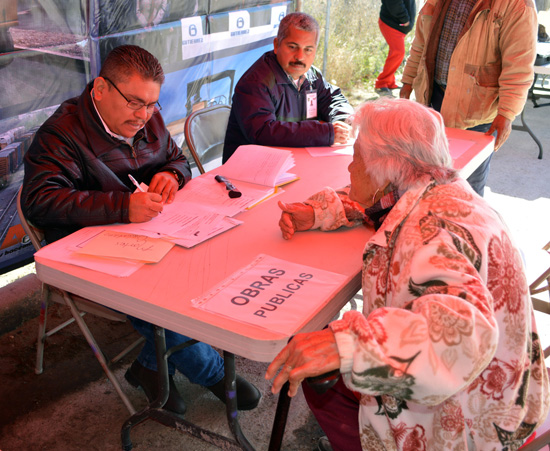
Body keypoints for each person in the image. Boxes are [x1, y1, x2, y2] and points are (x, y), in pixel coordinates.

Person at [265, 97, 549, 451]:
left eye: (357, 158)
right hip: (508, 396)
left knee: (320, 375)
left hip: (464, 422)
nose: (350, 168)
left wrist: (350, 346)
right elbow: (377, 209)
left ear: (385, 170)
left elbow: (462, 336)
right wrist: (322, 211)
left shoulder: (430, 232)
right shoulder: (437, 191)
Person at [22, 44, 260, 417]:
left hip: (148, 230)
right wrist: (120, 206)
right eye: (134, 102)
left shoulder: (149, 119)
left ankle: (150, 367)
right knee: (155, 292)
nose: (143, 115)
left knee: (210, 259)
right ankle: (213, 373)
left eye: (152, 104)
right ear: (100, 88)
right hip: (82, 244)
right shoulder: (62, 133)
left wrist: (171, 175)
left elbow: (177, 159)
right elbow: (40, 200)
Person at [399, 0, 537, 197]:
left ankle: (466, 227)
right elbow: (421, 42)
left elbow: (518, 66)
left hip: (475, 112)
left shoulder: (517, 4)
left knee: (467, 191)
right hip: (432, 99)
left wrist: (506, 113)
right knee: (427, 183)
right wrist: (408, 81)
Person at [222, 12, 354, 163]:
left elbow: (332, 98)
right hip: (251, 170)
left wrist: (344, 120)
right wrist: (325, 133)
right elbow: (264, 132)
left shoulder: (311, 75)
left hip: (292, 162)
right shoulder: (255, 83)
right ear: (277, 45)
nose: (300, 57)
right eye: (293, 47)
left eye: (308, 49)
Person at [374, 0, 416, 97]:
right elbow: (393, 2)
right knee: (398, 52)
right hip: (391, 24)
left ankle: (389, 82)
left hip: (397, 25)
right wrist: (404, 19)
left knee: (396, 53)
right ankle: (381, 83)